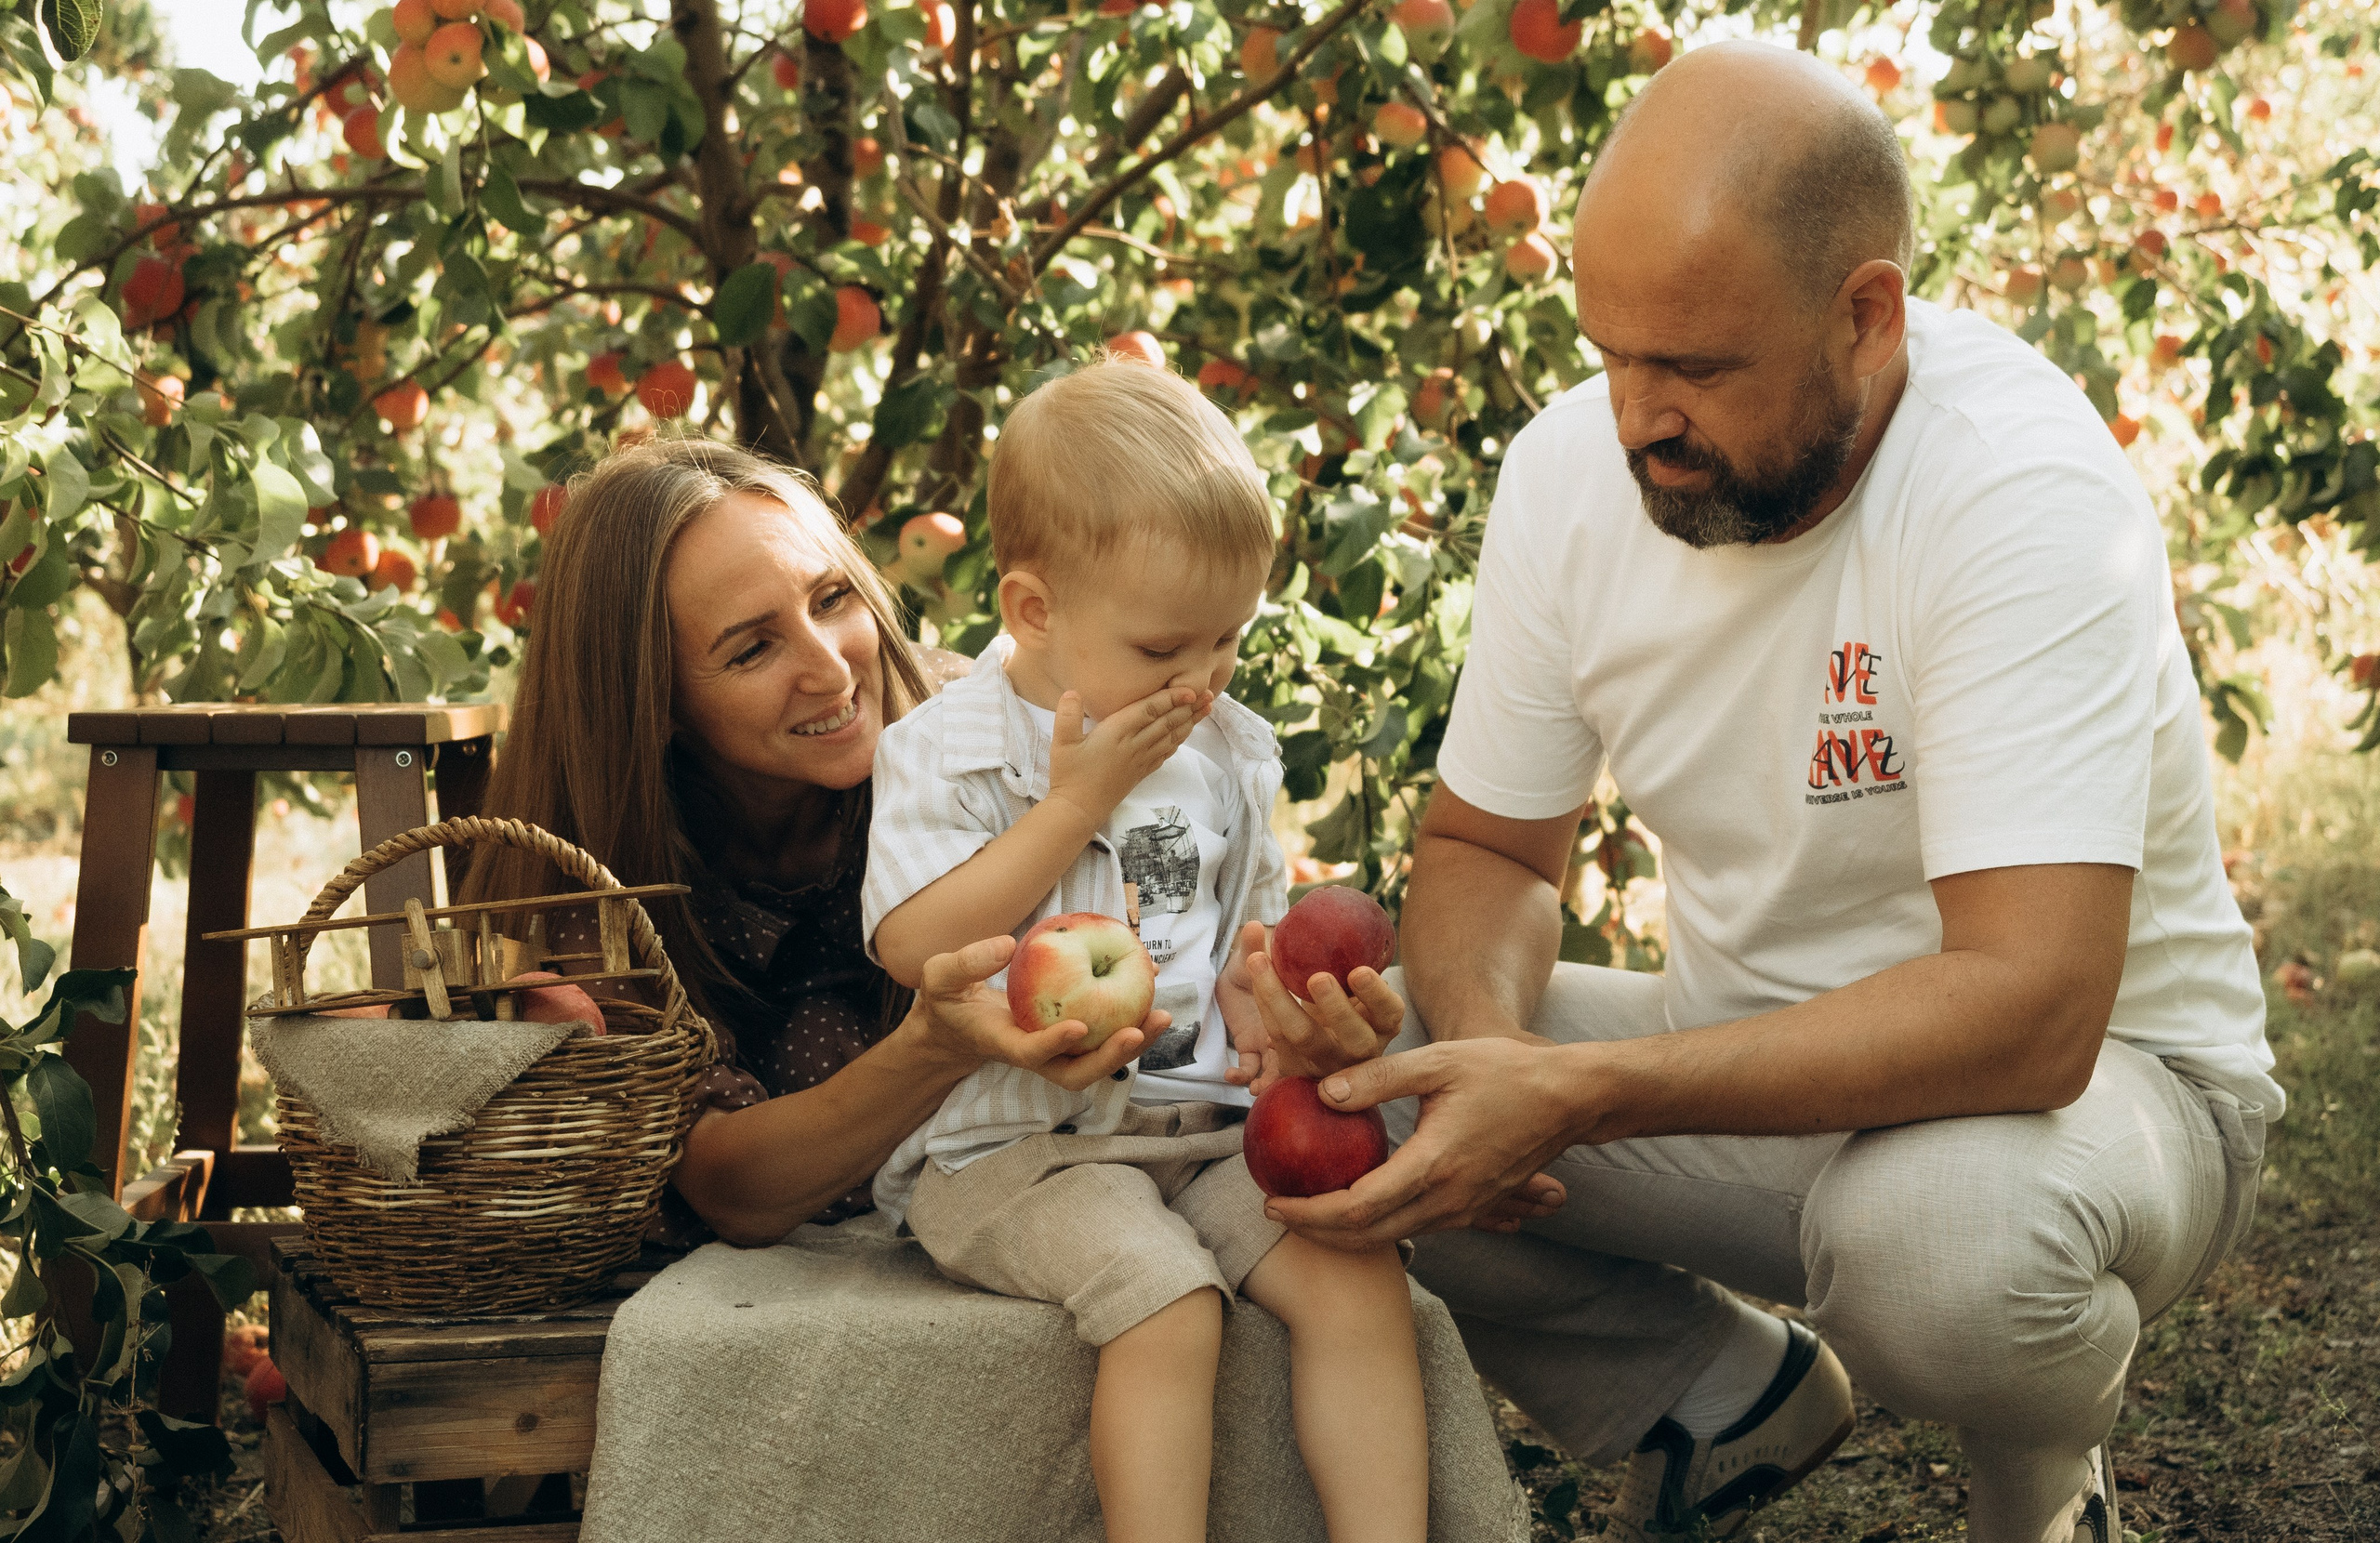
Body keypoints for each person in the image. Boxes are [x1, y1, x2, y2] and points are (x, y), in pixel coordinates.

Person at [1261, 41, 2281, 1543]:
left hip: (2103, 1106)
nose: (1636, 421)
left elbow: (2034, 1010)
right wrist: (1487, 1061)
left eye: (1694, 368)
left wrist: (1582, 1093)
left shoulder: (2019, 492)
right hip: (1746, 1076)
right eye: (1611, 353)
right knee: (1363, 1080)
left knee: (1939, 1243)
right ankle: (1718, 1398)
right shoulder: (1566, 479)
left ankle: (2042, 1490)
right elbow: (1488, 847)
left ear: (1866, 317)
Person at [861, 360, 1428, 1543]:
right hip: (1015, 1153)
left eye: (1228, 638)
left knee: (1355, 1273)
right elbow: (917, 943)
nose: (1203, 678)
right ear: (1034, 612)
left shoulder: (1223, 745)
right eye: (1169, 646)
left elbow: (1241, 927)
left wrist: (1263, 989)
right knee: (1168, 1304)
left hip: (1200, 1129)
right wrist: (1073, 807)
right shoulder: (946, 749)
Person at [458, 437, 1157, 1247]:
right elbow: (730, 1188)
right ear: (654, 699)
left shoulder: (969, 740)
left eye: (831, 599)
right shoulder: (596, 881)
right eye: (752, 648)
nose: (831, 669)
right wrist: (931, 1048)